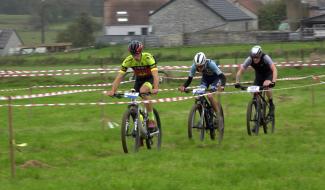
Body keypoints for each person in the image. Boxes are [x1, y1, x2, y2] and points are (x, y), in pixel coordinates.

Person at [107, 40, 159, 131]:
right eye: (133, 54)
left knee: (143, 92)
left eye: (137, 54)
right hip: (138, 80)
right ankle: (141, 126)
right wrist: (113, 90)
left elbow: (155, 75)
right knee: (133, 101)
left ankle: (151, 119)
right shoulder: (128, 60)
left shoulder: (148, 58)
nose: (135, 57)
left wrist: (155, 88)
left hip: (149, 79)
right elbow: (119, 77)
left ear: (141, 52)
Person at [235, 45, 277, 115]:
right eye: (253, 57)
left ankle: (271, 103)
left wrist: (273, 81)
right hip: (259, 76)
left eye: (257, 57)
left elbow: (274, 69)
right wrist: (237, 82)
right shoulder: (249, 59)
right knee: (253, 91)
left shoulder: (265, 57)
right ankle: (258, 110)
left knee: (266, 85)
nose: (255, 59)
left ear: (260, 55)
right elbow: (240, 70)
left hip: (268, 74)